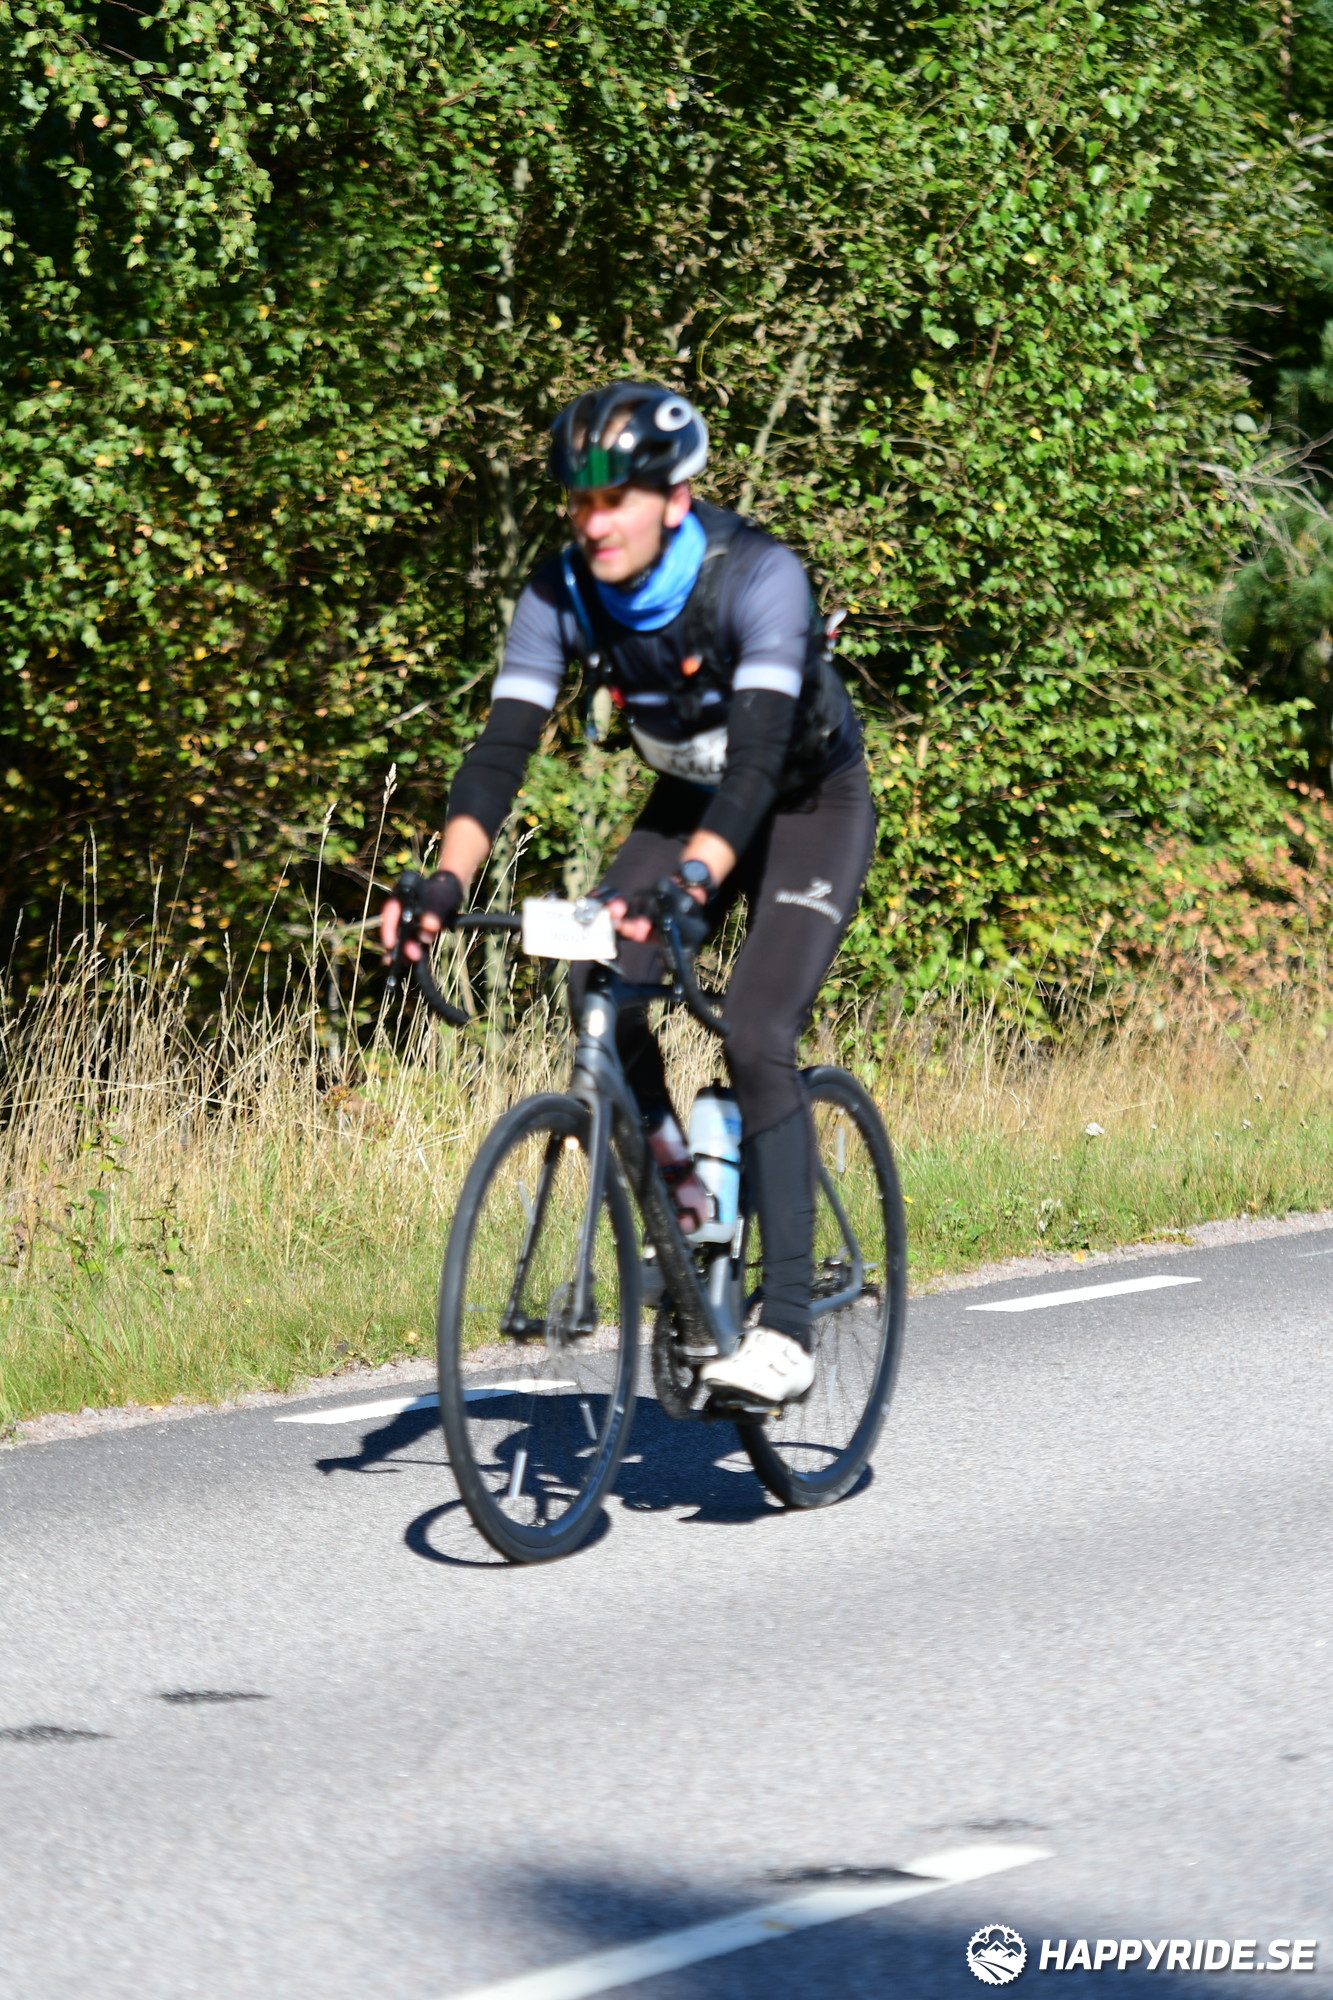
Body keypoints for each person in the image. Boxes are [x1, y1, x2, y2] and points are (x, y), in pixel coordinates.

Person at [381, 382, 876, 1406]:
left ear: (676, 498)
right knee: (596, 976)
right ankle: (688, 1201)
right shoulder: (560, 591)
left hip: (803, 803)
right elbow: (501, 750)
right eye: (579, 501)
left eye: (618, 500)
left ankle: (785, 1330)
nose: (594, 522)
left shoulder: (758, 577)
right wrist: (444, 880)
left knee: (755, 1032)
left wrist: (693, 880)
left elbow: (755, 765)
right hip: (689, 798)